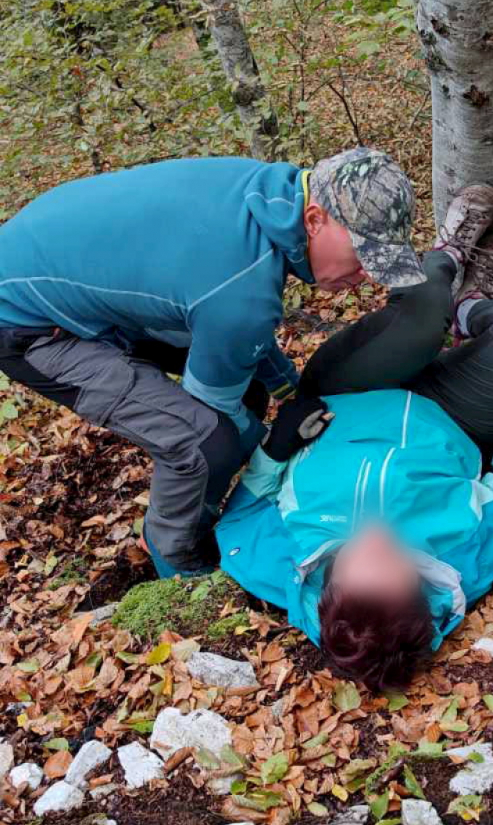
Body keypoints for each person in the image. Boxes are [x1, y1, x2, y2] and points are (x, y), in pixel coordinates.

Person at [0, 147, 425, 577]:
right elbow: (222, 366)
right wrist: (274, 445)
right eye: (363, 255)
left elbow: (237, 331)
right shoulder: (241, 287)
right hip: (26, 322)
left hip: (75, 282)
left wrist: (290, 391)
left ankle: (198, 508)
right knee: (204, 441)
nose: (366, 275)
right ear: (315, 220)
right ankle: (174, 560)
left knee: (240, 397)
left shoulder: (266, 197)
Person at [216, 187, 493, 688]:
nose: (377, 537)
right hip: (452, 412)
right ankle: (470, 309)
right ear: (418, 590)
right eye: (393, 561)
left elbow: (237, 519)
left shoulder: (275, 564)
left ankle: (447, 259)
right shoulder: (465, 564)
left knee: (424, 312)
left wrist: (277, 446)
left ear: (329, 587)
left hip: (348, 393)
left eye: (361, 558)